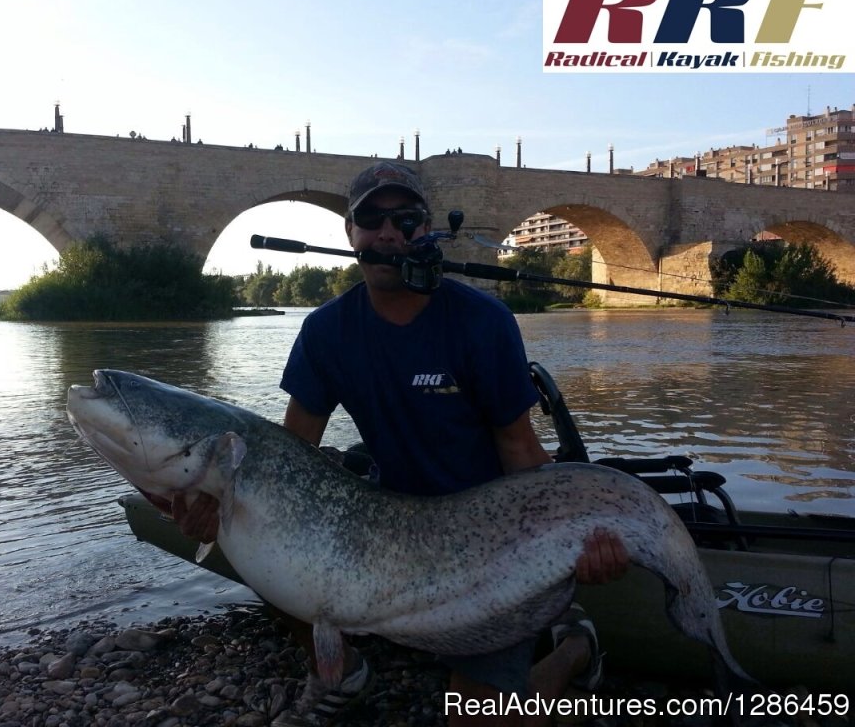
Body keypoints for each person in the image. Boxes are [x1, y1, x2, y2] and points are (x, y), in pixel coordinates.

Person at [173, 161, 629, 726]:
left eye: (405, 218)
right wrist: (220, 508)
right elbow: (286, 460)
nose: (388, 232)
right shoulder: (325, 331)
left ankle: (573, 648)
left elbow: (521, 453)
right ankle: (338, 669)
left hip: (488, 539)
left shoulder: (484, 322)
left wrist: (576, 530)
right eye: (371, 218)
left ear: (427, 231)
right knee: (261, 540)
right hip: (389, 526)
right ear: (352, 234)